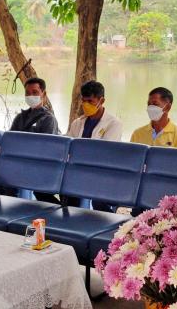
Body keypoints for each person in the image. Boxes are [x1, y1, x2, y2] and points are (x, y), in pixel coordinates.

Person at [66, 80, 122, 210]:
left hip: (101, 173)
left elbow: (104, 153)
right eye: (83, 101)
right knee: (68, 197)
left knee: (98, 202)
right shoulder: (77, 123)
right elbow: (68, 146)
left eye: (90, 101)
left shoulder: (114, 124)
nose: (85, 105)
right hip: (78, 172)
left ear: (101, 101)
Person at [8, 77, 61, 204]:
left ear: (44, 94)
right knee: (2, 178)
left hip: (38, 167)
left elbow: (45, 149)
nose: (30, 96)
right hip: (18, 164)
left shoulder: (48, 119)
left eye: (35, 92)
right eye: (27, 93)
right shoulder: (20, 118)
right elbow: (9, 142)